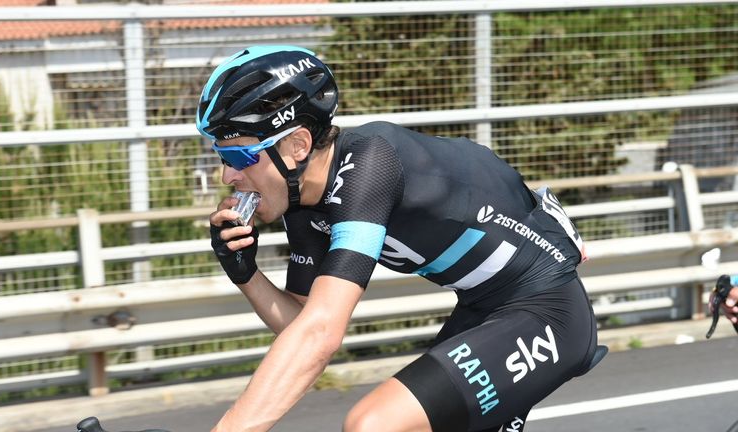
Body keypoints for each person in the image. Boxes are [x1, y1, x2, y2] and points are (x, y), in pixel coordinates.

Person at [198, 45, 599, 432]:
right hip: (483, 312)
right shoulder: (304, 206)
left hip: (547, 312)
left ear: (297, 145)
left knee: (375, 424)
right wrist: (246, 274)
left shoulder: (372, 164)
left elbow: (321, 335)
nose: (227, 177)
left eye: (239, 158)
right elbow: (301, 326)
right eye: (222, 158)